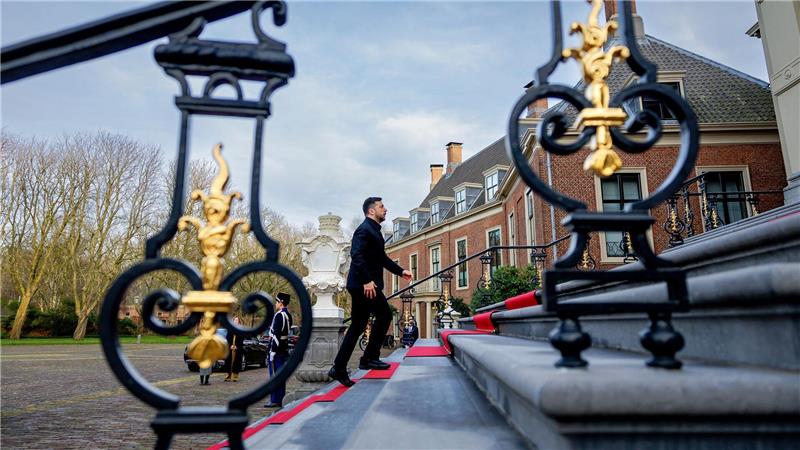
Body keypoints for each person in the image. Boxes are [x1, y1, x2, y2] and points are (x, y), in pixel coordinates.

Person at [328, 197, 412, 387]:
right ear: (371, 211)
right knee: (384, 315)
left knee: (358, 325)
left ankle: (340, 367)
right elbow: (356, 255)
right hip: (363, 285)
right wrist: (366, 281)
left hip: (363, 284)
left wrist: (401, 271)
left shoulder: (374, 231)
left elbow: (382, 258)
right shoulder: (364, 230)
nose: (385, 209)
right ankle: (369, 358)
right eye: (382, 206)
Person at [265, 292, 293, 408]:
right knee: (280, 374)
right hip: (283, 347)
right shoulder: (288, 315)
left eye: (277, 302)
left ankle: (275, 399)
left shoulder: (279, 315)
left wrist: (273, 350)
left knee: (274, 375)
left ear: (281, 302)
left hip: (276, 349)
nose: (276, 304)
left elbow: (276, 334)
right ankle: (280, 398)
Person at [224, 316, 244, 382]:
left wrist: (236, 346)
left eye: (237, 320)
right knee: (228, 362)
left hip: (237, 349)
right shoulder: (230, 329)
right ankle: (228, 376)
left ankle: (235, 376)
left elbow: (241, 339)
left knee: (236, 362)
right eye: (235, 320)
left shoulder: (241, 330)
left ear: (239, 322)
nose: (236, 321)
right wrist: (230, 345)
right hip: (230, 348)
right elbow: (227, 338)